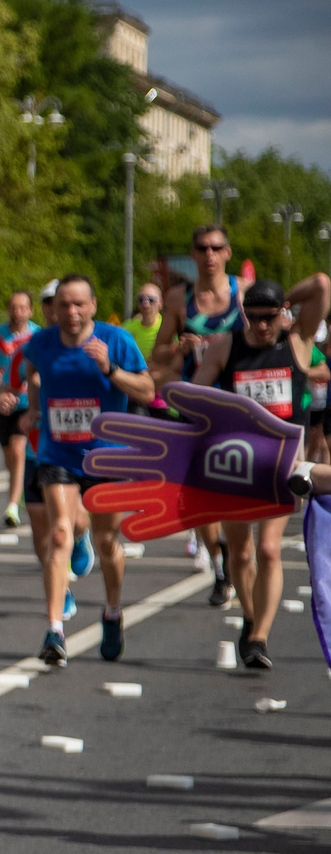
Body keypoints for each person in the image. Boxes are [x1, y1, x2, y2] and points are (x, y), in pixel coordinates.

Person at [20, 275, 155, 665]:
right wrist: (33, 408)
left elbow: (147, 391)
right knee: (59, 533)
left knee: (107, 541)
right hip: (58, 453)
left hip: (106, 455)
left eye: (79, 304)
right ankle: (54, 630)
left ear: (93, 305)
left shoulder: (116, 340)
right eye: (64, 304)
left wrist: (110, 369)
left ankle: (112, 611)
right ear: (54, 309)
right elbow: (32, 373)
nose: (71, 312)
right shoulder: (42, 343)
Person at [193, 280, 317, 669]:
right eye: (254, 317)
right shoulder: (226, 347)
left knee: (268, 549)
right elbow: (195, 397)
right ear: (244, 314)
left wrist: (286, 300)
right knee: (241, 551)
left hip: (282, 465)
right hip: (237, 465)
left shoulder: (297, 343)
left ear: (282, 314)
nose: (262, 326)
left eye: (269, 317)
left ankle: (260, 637)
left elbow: (322, 284)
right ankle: (249, 615)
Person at [165, 228, 248, 604]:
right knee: (195, 494)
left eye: (216, 247)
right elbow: (158, 355)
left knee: (234, 492)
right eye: (202, 248)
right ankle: (219, 565)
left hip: (240, 406)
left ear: (227, 252)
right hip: (196, 405)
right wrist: (178, 347)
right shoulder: (178, 298)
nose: (209, 254)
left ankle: (238, 555)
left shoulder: (243, 292)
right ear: (193, 253)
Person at [0, 289, 40, 527]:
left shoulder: (38, 336)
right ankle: (20, 489)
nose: (18, 312)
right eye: (14, 307)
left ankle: (12, 506)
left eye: (23, 308)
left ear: (31, 310)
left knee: (18, 450)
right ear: (8, 309)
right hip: (0, 405)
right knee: (10, 457)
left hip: (27, 404)